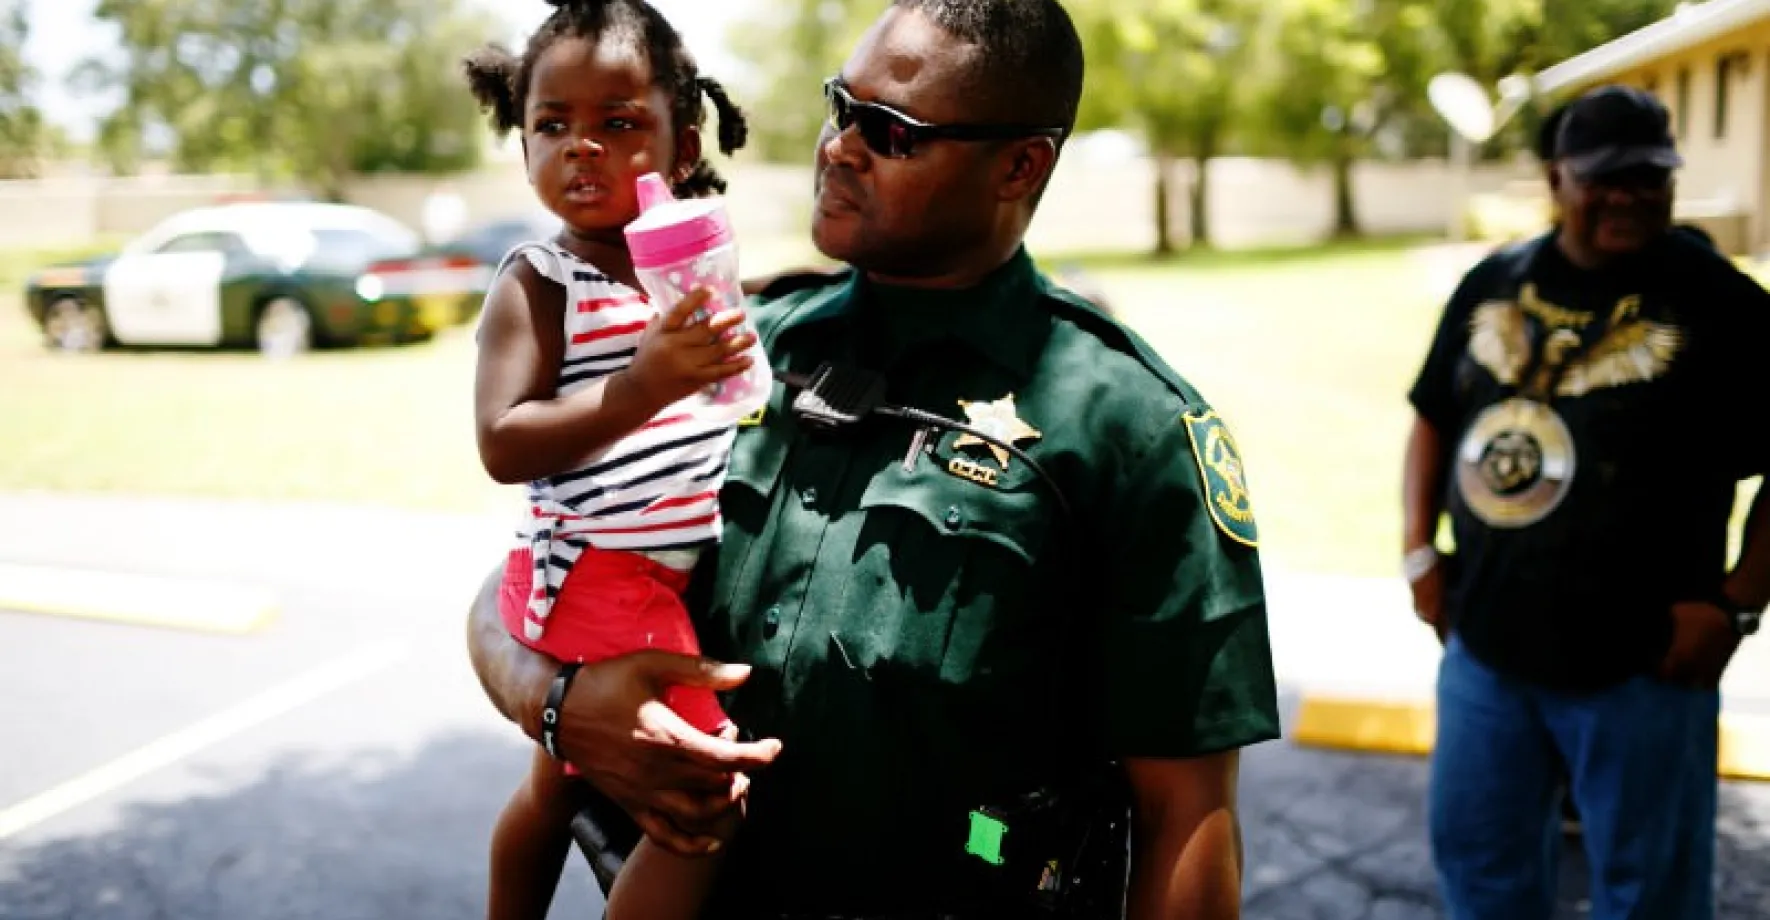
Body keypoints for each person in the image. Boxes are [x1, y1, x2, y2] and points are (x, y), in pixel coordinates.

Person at [465, 1, 1283, 917]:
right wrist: (554, 701)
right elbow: (528, 576)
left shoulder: (1128, 431)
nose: (839, 148)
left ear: (1020, 164)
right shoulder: (737, 349)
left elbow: (1189, 813)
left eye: (890, 132)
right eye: (838, 108)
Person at [1402, 84, 1770, 920]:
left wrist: (1739, 604)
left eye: (1649, 175)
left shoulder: (1721, 302)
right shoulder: (1494, 282)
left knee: (1650, 898)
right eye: (1605, 176)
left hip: (1644, 666)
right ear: (1556, 177)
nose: (1629, 195)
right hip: (1488, 650)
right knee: (1480, 873)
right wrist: (1419, 549)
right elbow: (1431, 415)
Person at [461, 1, 762, 917]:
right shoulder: (540, 282)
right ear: (522, 147)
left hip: (650, 573)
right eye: (551, 125)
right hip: (600, 575)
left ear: (682, 145)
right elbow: (501, 441)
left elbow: (730, 402)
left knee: (554, 790)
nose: (580, 147)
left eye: (619, 124)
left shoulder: (684, 269)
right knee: (702, 794)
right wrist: (640, 386)